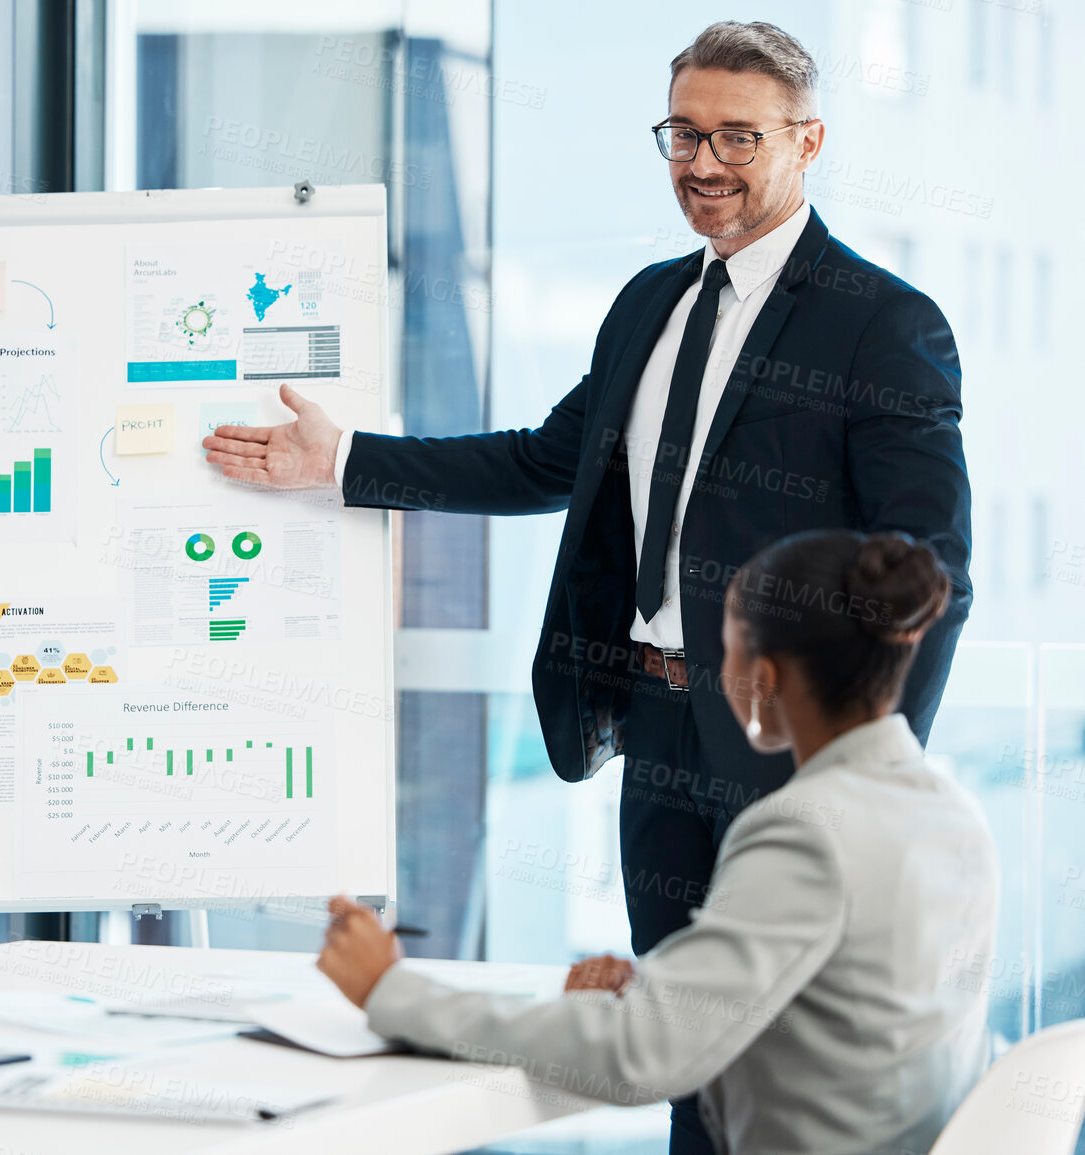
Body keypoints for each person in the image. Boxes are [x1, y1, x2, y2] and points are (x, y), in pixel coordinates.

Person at [202, 22, 969, 1151]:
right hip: (659, 724)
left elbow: (932, 565)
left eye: (737, 138)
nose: (703, 164)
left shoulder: (883, 324)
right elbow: (543, 462)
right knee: (679, 1056)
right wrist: (347, 461)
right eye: (684, 134)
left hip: (788, 738)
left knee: (782, 1047)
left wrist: (862, 768)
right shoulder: (650, 303)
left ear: (808, 142)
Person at [317, 531, 997, 1155]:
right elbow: (852, 1012)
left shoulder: (805, 830)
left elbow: (639, 1055)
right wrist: (665, 988)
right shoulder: (949, 812)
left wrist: (392, 989)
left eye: (718, 644)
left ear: (761, 678)